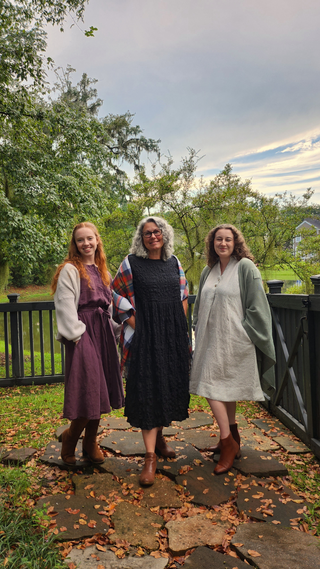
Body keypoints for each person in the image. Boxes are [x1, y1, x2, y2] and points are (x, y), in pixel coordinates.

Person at [190, 224, 275, 475]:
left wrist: (245, 331)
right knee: (220, 388)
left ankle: (228, 442)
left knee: (210, 385)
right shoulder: (209, 270)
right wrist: (196, 326)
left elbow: (258, 305)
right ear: (212, 243)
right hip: (208, 339)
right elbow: (200, 305)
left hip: (234, 339)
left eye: (228, 239)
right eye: (218, 239)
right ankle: (232, 436)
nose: (223, 243)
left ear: (235, 242)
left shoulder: (245, 268)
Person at [112, 216, 191, 486]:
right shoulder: (131, 263)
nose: (153, 236)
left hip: (171, 337)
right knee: (147, 389)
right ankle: (149, 458)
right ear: (141, 238)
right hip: (145, 337)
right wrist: (139, 327)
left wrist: (178, 328)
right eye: (147, 233)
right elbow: (117, 296)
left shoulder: (175, 263)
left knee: (166, 387)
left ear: (164, 235)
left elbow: (183, 295)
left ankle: (159, 440)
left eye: (157, 232)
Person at [52, 222, 124, 465]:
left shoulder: (102, 270)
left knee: (100, 390)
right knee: (89, 387)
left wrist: (115, 328)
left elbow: (107, 307)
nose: (86, 243)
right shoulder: (71, 269)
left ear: (97, 240)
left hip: (102, 334)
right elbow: (63, 304)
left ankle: (90, 443)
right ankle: (71, 440)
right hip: (82, 334)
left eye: (90, 238)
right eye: (80, 240)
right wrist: (77, 335)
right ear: (75, 244)